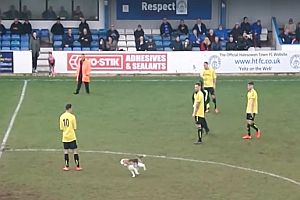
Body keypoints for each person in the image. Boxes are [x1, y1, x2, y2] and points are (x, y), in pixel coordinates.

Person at [59, 104, 82, 171]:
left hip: (65, 137)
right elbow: (74, 127)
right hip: (72, 136)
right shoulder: (72, 116)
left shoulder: (61, 116)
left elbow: (61, 128)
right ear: (69, 108)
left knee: (66, 151)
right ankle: (77, 166)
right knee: (75, 151)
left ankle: (66, 166)